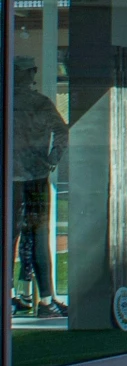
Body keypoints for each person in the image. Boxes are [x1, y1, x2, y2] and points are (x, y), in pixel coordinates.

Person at [11, 60, 65, 314]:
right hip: (34, 178)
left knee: (9, 237)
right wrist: (52, 159)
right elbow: (62, 133)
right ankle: (45, 300)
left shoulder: (8, 102)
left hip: (11, 179)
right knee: (39, 237)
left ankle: (12, 296)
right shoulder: (40, 103)